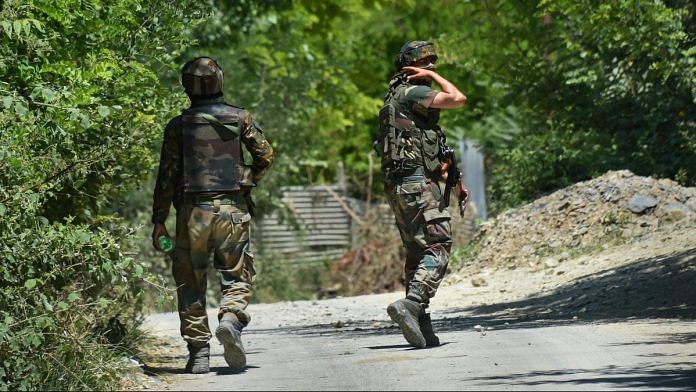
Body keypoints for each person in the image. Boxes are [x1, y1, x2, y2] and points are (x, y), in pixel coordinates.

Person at [151, 57, 274, 373]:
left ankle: (199, 353)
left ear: (186, 86)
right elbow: (265, 155)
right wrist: (246, 179)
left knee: (190, 283)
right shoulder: (239, 117)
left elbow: (166, 177)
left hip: (192, 213)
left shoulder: (178, 126)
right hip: (232, 210)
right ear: (220, 80)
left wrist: (158, 222)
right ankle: (231, 318)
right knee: (237, 274)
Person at [377, 41, 468, 348]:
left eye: (432, 62)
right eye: (424, 64)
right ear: (409, 68)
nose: (430, 68)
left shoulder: (398, 101)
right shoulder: (412, 92)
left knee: (417, 254)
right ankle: (412, 303)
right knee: (439, 243)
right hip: (416, 185)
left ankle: (419, 322)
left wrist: (454, 181)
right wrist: (438, 78)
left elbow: (430, 152)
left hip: (402, 186)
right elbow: (458, 99)